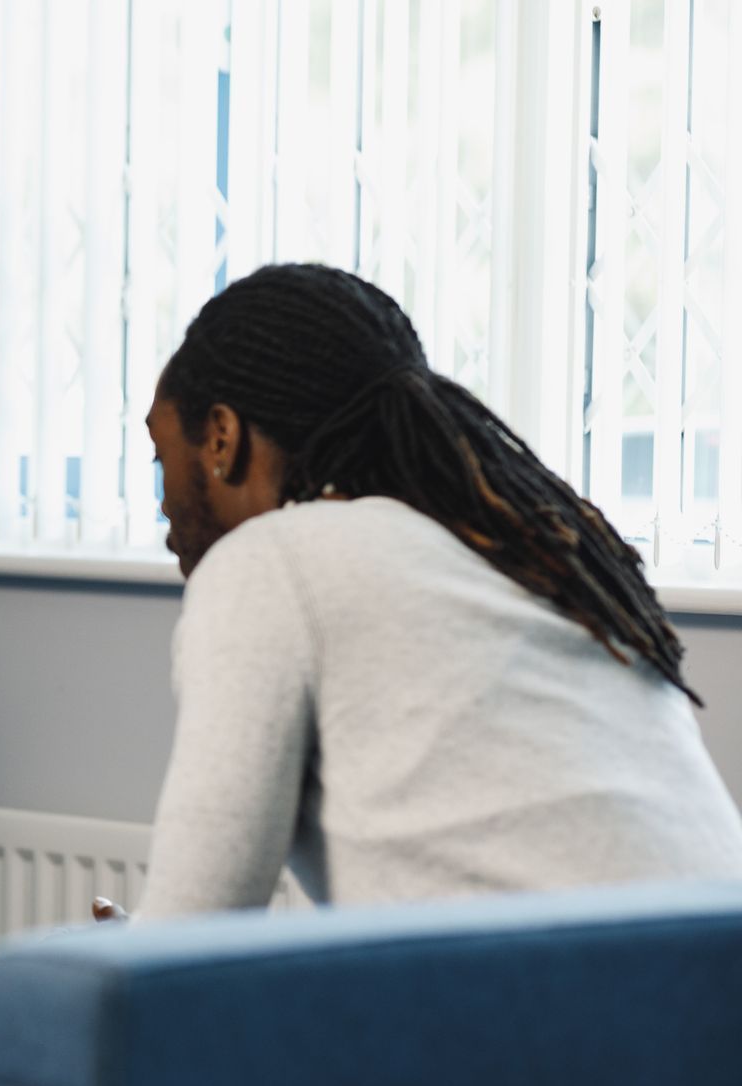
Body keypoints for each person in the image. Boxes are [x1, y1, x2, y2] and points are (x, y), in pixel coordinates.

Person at [137, 262, 742, 919]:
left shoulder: (268, 563)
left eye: (159, 457)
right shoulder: (537, 559)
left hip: (565, 1006)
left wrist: (124, 954)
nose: (162, 500)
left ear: (221, 438)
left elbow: (192, 931)